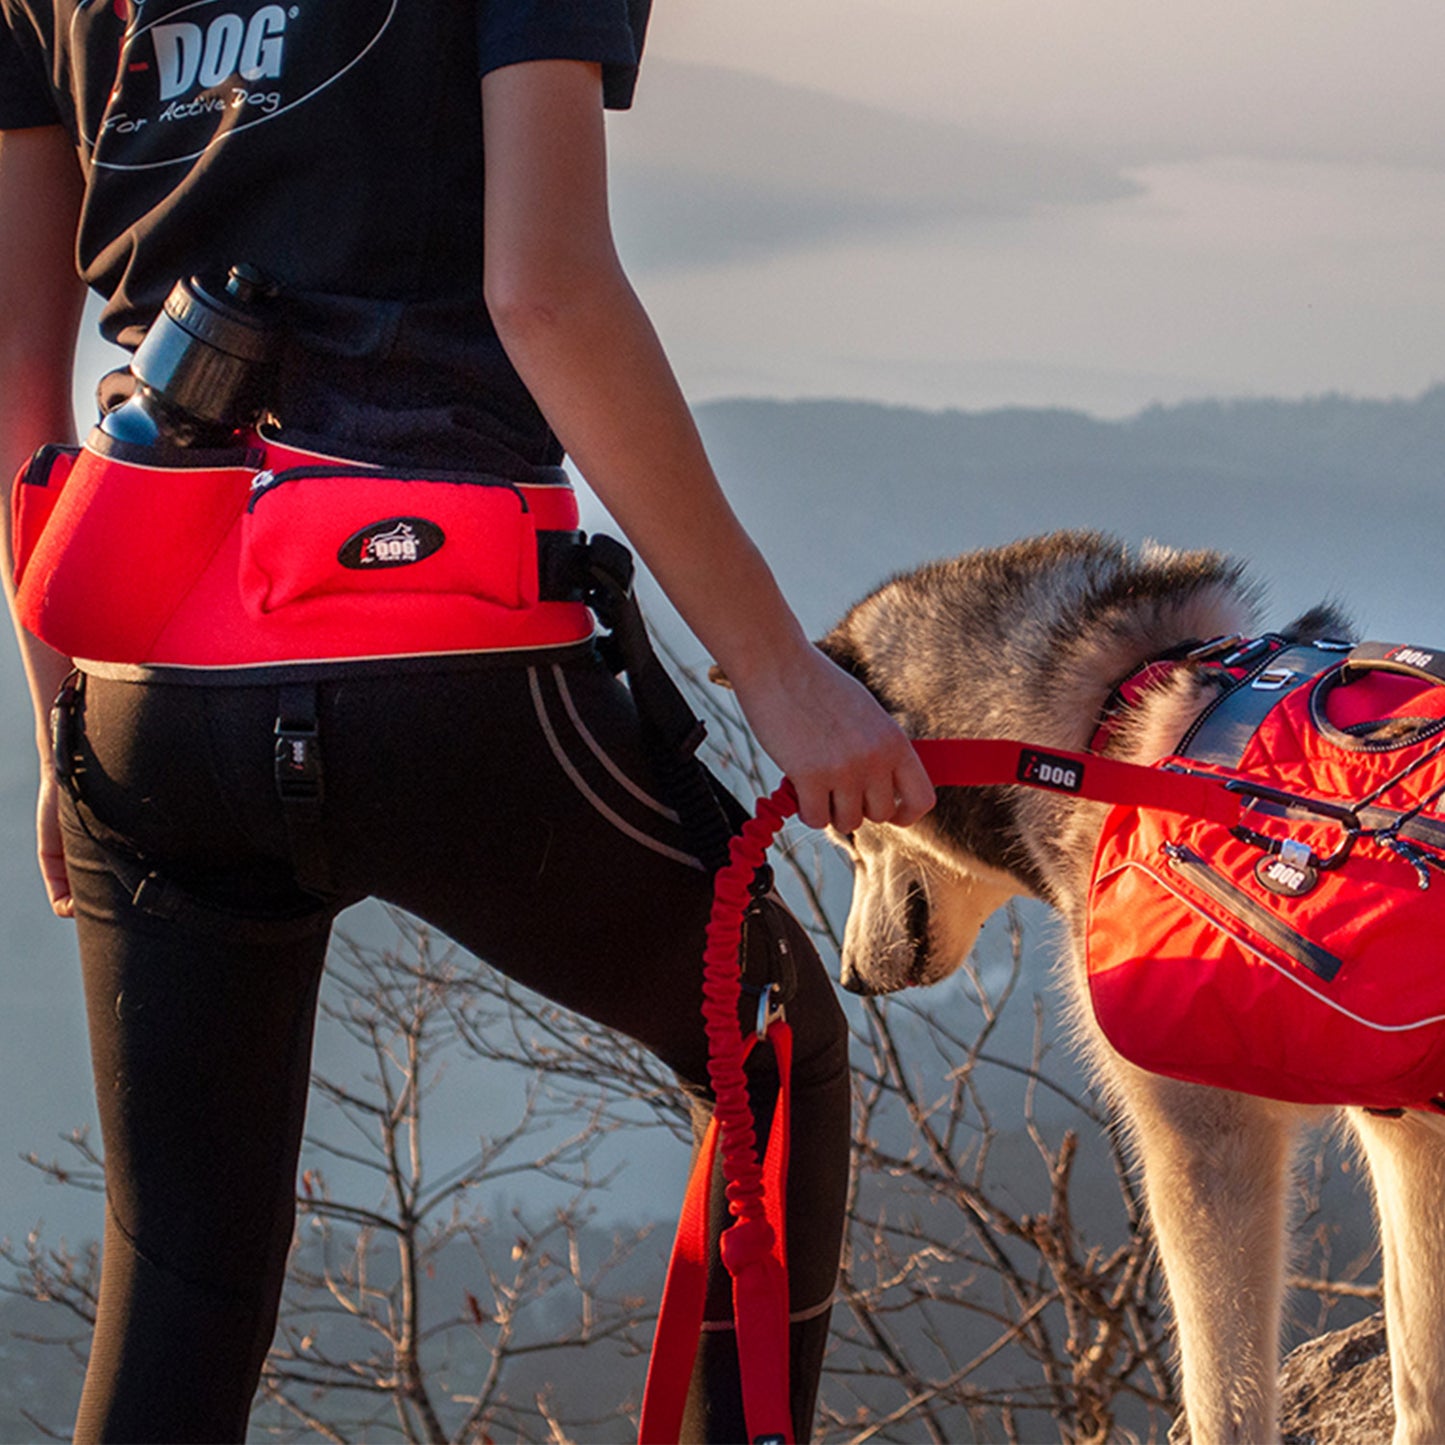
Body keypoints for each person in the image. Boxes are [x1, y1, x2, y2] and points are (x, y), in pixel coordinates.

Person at [0, 3, 935, 1440]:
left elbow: (14, 398)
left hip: (144, 671)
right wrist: (778, 673)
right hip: (433, 643)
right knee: (767, 1044)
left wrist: (62, 721)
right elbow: (544, 293)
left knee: (178, 1286)